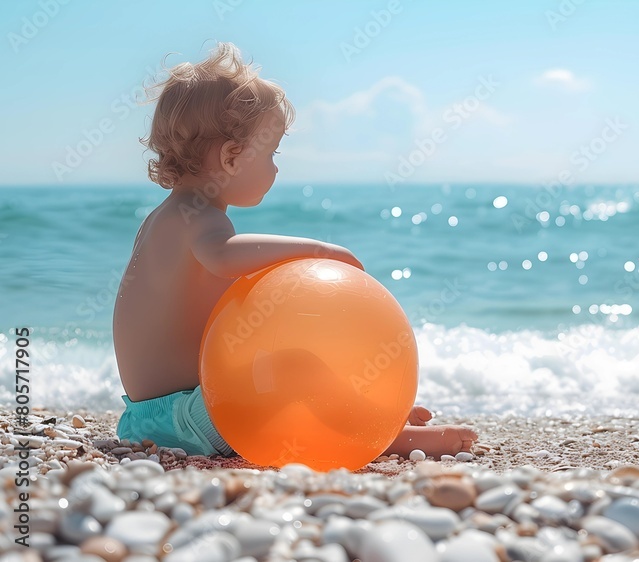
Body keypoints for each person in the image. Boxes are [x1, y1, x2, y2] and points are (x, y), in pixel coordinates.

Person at [113, 42, 477, 460]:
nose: (276, 168)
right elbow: (224, 254)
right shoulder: (202, 220)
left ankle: (364, 411)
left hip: (145, 420)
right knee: (295, 367)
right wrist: (318, 250)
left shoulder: (165, 217)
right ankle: (385, 433)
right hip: (192, 419)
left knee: (283, 363)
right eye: (270, 153)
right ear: (232, 157)